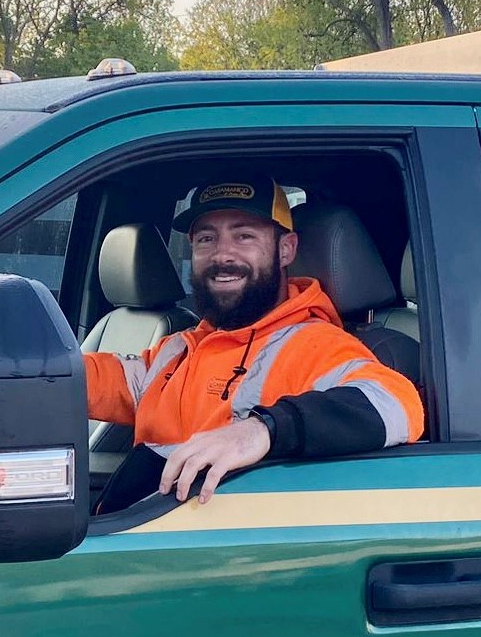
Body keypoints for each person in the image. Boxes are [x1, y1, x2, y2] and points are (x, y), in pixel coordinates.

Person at [84, 173, 424, 513]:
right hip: (132, 534)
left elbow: (397, 404)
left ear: (286, 249)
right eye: (206, 239)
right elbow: (94, 379)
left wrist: (263, 430)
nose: (222, 255)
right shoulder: (182, 346)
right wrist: (37, 370)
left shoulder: (312, 344)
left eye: (244, 236)